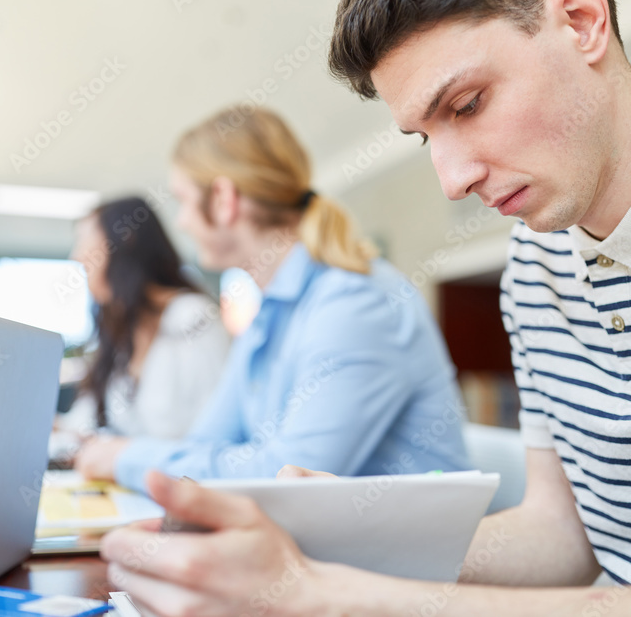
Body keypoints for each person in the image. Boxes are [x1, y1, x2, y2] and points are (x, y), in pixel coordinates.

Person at [99, 0, 631, 614]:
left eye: (468, 104)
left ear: (581, 21)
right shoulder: (536, 264)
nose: (451, 181)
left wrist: (334, 594)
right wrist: (344, 534)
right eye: (425, 136)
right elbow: (564, 536)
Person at [76, 108, 470, 489]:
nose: (180, 222)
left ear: (223, 200)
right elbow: (204, 444)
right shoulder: (269, 314)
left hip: (397, 554)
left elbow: (286, 480)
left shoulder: (356, 302)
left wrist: (125, 457)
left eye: (183, 201)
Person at [60, 197, 229, 460]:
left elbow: (218, 435)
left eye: (85, 241)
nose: (76, 256)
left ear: (124, 243)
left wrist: (121, 456)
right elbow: (85, 420)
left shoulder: (193, 318)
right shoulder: (123, 330)